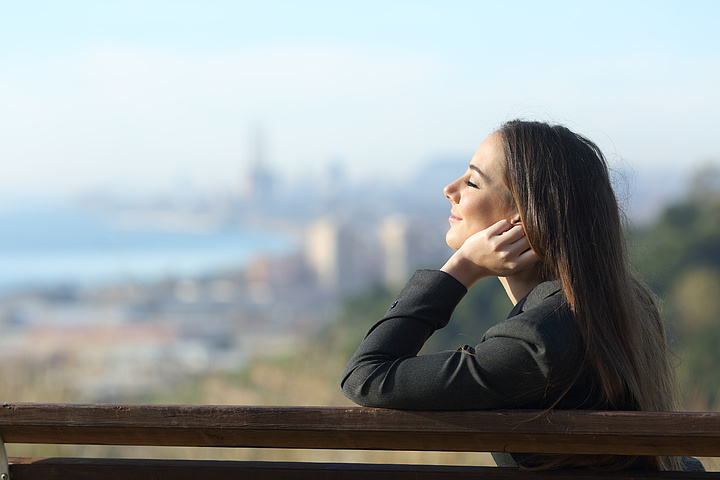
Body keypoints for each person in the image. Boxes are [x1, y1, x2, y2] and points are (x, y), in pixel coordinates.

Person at [341, 120, 701, 471]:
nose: (450, 190)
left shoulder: (538, 340)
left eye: (473, 182)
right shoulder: (624, 303)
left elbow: (366, 375)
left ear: (521, 218)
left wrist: (461, 268)